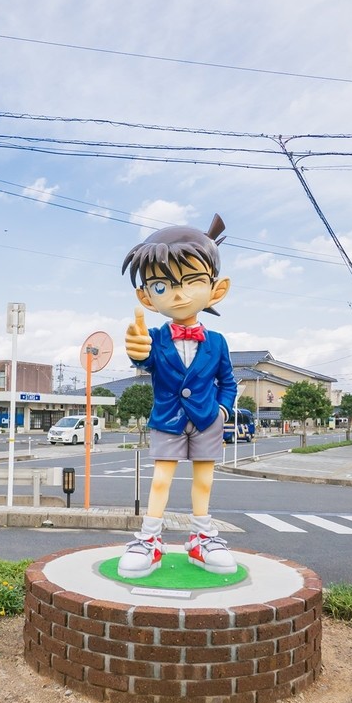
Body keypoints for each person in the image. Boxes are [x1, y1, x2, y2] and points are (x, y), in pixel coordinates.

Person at [119, 214, 238, 577]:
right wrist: (137, 350)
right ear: (146, 297)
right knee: (160, 479)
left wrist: (222, 411)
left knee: (204, 480)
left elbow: (228, 382)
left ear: (216, 289)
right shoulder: (155, 337)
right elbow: (143, 357)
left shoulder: (217, 341)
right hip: (167, 419)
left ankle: (202, 538)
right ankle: (149, 539)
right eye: (161, 285)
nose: (178, 293)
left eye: (193, 281)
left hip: (206, 420)